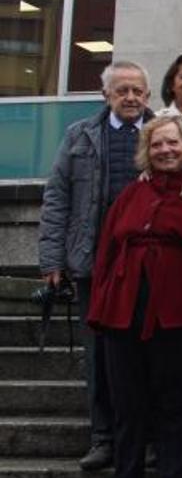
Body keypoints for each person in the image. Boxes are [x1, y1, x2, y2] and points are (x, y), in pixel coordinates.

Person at [88, 116, 182, 478]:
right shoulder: (132, 193)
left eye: (172, 143)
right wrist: (100, 305)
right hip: (123, 312)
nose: (165, 150)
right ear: (147, 151)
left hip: (180, 315)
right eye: (157, 144)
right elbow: (107, 252)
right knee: (127, 406)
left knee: (175, 405)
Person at [39, 61, 155, 470]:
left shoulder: (165, 136)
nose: (130, 98)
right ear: (106, 95)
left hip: (148, 267)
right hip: (95, 264)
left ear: (148, 95)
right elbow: (56, 199)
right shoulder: (79, 136)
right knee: (99, 357)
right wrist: (52, 260)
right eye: (121, 90)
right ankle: (103, 436)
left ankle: (147, 437)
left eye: (137, 91)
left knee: (149, 356)